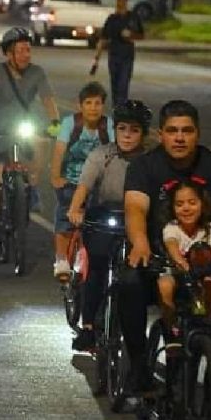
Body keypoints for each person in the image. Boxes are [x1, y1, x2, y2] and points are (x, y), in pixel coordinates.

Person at [121, 99, 211, 393]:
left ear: (198, 133)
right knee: (129, 285)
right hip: (158, 261)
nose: (180, 138)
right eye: (172, 131)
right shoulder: (144, 166)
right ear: (161, 134)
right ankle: (138, 367)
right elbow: (135, 208)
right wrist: (140, 242)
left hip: (203, 264)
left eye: (187, 130)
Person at [66, 100, 150, 351]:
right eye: (122, 128)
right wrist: (75, 209)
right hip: (103, 217)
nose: (127, 135)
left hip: (137, 221)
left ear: (144, 134)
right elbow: (84, 187)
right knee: (97, 268)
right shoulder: (101, 155)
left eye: (134, 130)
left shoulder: (149, 160)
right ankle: (88, 326)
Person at [0, 27, 61, 251]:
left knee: (43, 142)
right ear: (8, 53)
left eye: (28, 50)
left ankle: (32, 186)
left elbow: (48, 98)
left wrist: (55, 121)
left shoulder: (37, 72)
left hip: (22, 128)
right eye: (20, 51)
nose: (25, 55)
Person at [50, 82, 113, 280]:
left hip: (97, 181)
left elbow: (114, 153)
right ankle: (61, 259)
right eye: (88, 103)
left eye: (97, 103)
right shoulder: (71, 124)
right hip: (72, 179)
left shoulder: (108, 125)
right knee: (66, 215)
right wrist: (56, 177)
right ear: (80, 105)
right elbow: (59, 151)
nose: (93, 108)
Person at [157, 181, 211, 327]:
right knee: (164, 285)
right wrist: (179, 260)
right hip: (176, 273)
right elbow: (172, 245)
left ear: (202, 204)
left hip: (201, 274)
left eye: (192, 203)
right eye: (179, 204)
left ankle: (207, 319)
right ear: (173, 208)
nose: (186, 208)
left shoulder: (208, 228)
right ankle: (171, 325)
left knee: (210, 284)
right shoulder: (172, 228)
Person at [92, 0, 144, 106]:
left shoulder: (133, 18)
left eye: (122, 0)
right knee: (115, 85)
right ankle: (116, 108)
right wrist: (96, 59)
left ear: (126, 1)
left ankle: (121, 109)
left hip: (127, 57)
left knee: (123, 85)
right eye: (118, 0)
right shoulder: (112, 19)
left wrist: (131, 35)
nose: (120, 3)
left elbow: (141, 35)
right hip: (114, 56)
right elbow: (103, 39)